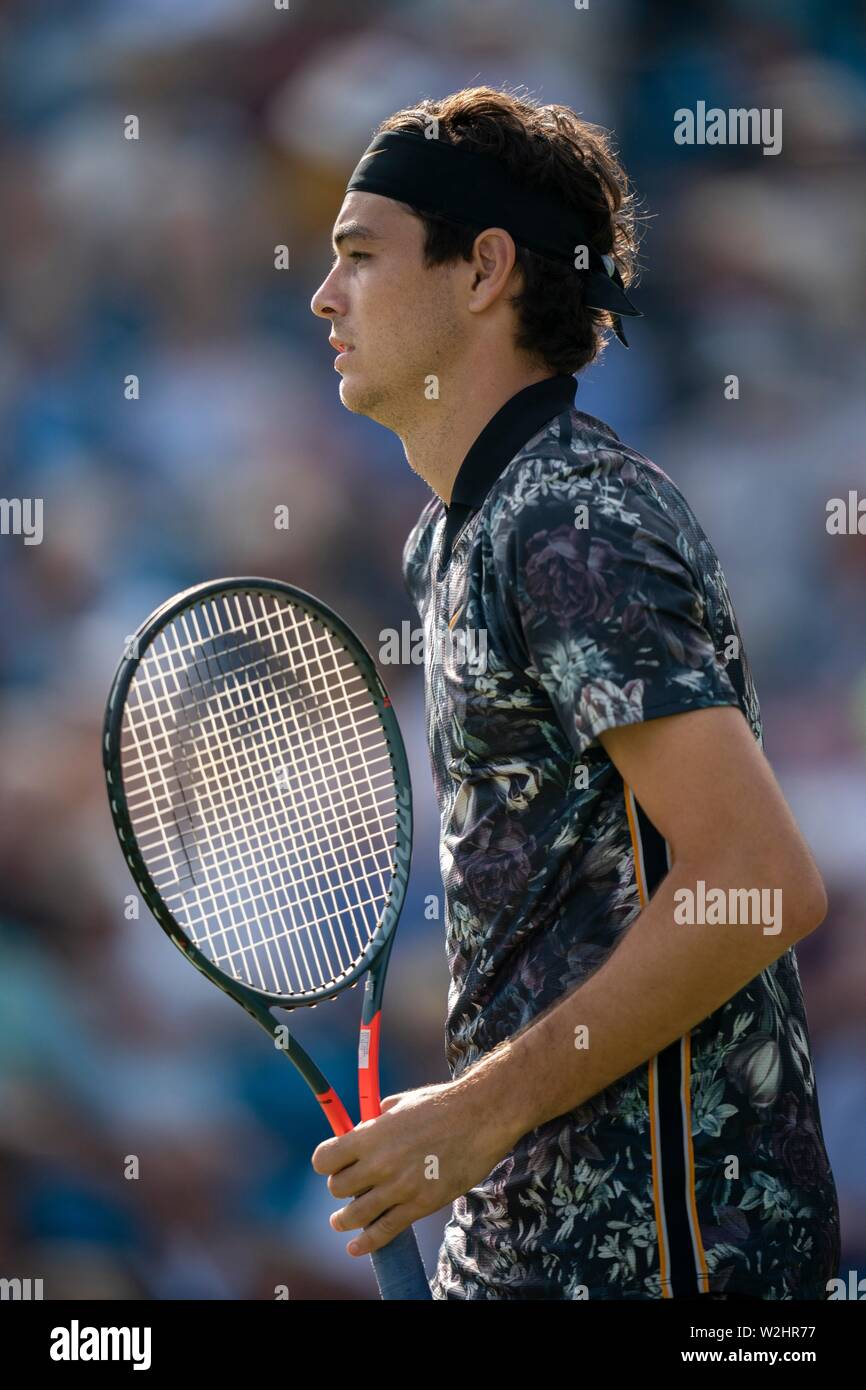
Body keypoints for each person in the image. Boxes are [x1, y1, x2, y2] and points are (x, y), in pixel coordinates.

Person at [309, 85, 841, 1301]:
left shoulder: (566, 518)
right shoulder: (451, 538)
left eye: (358, 256)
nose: (321, 295)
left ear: (484, 268)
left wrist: (475, 1115)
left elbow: (757, 880)